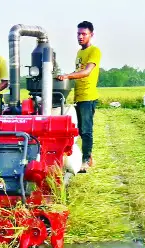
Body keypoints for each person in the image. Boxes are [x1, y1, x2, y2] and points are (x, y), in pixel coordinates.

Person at [57, 21, 101, 173]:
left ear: (91, 35)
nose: (80, 37)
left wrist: (67, 76)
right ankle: (88, 157)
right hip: (78, 96)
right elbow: (77, 71)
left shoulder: (94, 51)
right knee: (81, 131)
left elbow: (87, 72)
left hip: (88, 96)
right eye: (78, 34)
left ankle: (85, 161)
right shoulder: (79, 53)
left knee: (87, 130)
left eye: (84, 34)